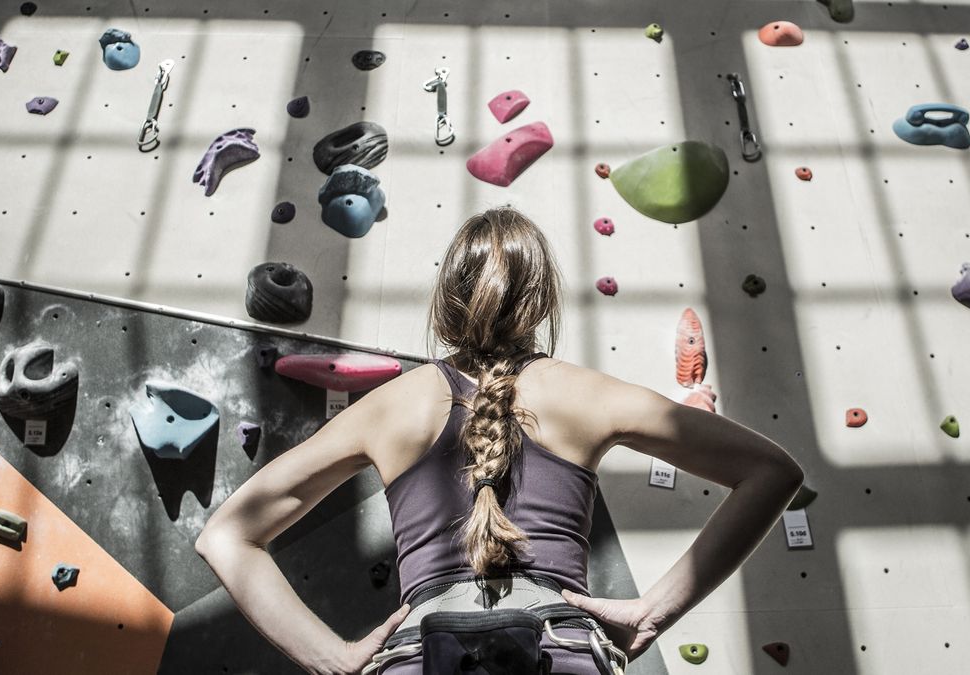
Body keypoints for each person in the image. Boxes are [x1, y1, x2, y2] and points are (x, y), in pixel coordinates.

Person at [195, 206, 805, 674]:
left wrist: (331, 657)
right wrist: (652, 613)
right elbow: (772, 472)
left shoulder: (391, 406)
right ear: (540, 302)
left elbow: (226, 535)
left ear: (447, 303)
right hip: (561, 653)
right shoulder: (589, 395)